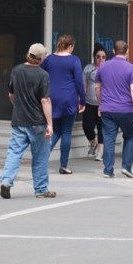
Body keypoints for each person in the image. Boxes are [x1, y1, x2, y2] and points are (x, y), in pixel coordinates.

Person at [0, 43, 56, 199]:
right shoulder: (43, 75)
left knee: (14, 153)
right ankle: (41, 189)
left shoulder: (16, 71)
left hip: (19, 120)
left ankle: (6, 181)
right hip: (38, 122)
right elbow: (45, 100)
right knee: (40, 156)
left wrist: (19, 107)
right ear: (40, 58)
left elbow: (11, 95)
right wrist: (50, 124)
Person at [95, 39, 133, 179]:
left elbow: (97, 87)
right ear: (127, 52)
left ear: (113, 51)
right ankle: (126, 167)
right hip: (126, 109)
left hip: (108, 109)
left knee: (108, 139)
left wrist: (100, 103)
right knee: (130, 135)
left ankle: (108, 170)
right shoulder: (131, 68)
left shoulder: (103, 67)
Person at [43, 34, 86, 174]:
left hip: (52, 98)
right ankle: (63, 165)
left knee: (54, 130)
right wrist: (83, 100)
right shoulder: (74, 60)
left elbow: (42, 75)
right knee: (66, 131)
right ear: (70, 46)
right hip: (69, 99)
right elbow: (79, 82)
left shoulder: (49, 59)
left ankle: (43, 158)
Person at [82, 44, 106, 161]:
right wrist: (81, 99)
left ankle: (100, 153)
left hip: (104, 104)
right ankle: (93, 143)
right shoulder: (88, 68)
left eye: (103, 57)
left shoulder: (108, 68)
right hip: (89, 103)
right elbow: (84, 85)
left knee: (102, 128)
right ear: (94, 57)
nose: (101, 59)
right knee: (87, 126)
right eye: (98, 57)